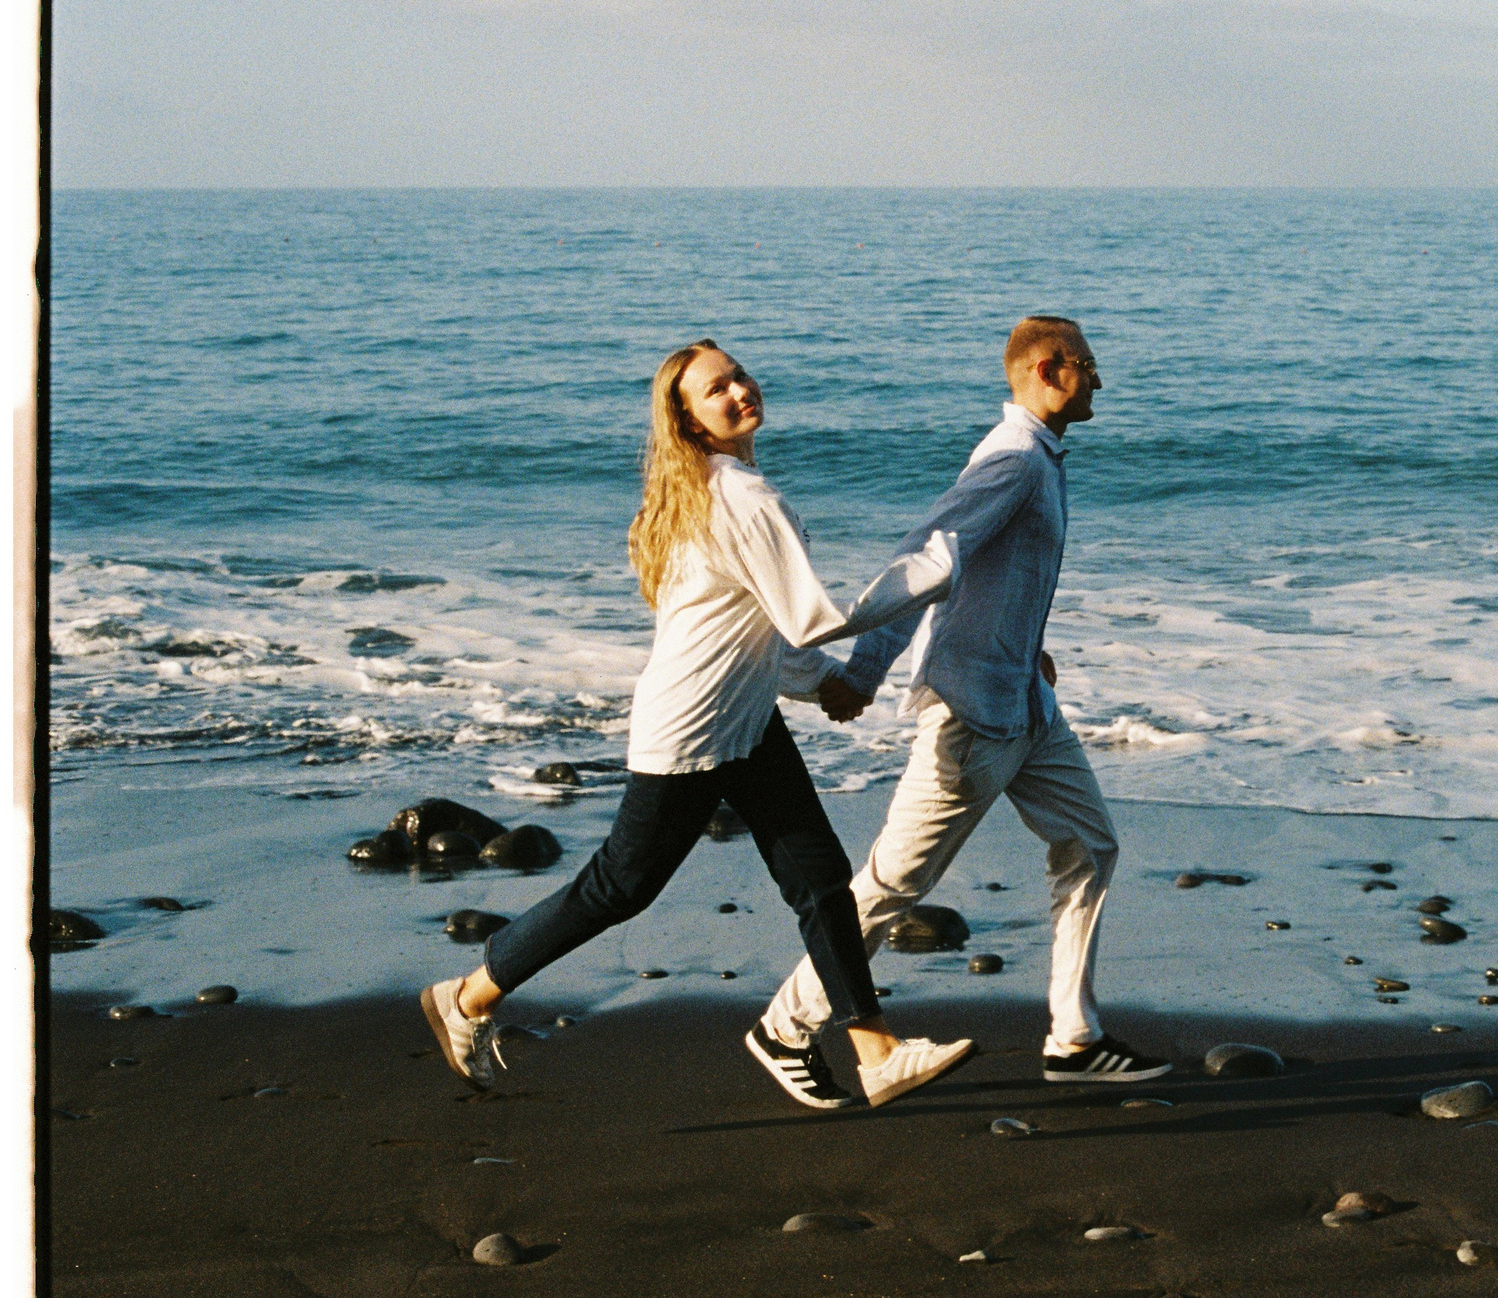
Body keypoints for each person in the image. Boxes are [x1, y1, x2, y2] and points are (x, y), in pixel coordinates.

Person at [420, 338, 972, 1112]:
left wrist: (827, 690)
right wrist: (932, 570)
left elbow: (760, 634)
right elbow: (809, 620)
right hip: (692, 730)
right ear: (689, 422)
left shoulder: (712, 489)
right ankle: (468, 996)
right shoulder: (744, 497)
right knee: (620, 887)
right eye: (717, 389)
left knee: (817, 876)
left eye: (739, 374)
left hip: (743, 718)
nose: (739, 390)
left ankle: (874, 1050)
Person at [759, 315, 1168, 1083]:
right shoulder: (1014, 460)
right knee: (895, 881)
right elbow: (929, 556)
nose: (1100, 380)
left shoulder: (1040, 458)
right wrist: (861, 666)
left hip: (1026, 706)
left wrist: (1025, 641)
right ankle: (786, 1027)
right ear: (1048, 370)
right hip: (973, 715)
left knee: (1090, 846)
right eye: (1088, 364)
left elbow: (990, 574)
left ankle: (1074, 1039)